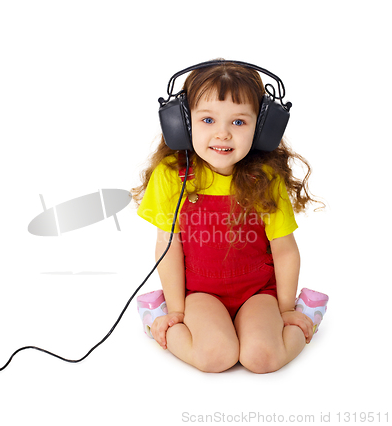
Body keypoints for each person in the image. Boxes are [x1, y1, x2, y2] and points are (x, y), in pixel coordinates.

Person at [132, 60, 327, 374]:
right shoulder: (171, 177)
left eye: (239, 122)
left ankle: (309, 313)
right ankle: (154, 314)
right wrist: (177, 311)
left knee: (262, 359)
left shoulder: (265, 178)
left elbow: (285, 249)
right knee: (216, 357)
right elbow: (168, 247)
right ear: (181, 124)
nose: (222, 134)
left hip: (257, 292)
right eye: (207, 119)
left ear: (261, 129)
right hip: (200, 293)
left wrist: (286, 309)